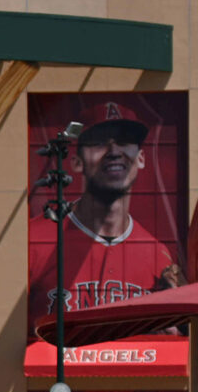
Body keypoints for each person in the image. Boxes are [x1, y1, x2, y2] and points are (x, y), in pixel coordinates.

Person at [27, 104, 186, 324]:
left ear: (141, 158)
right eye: (99, 142)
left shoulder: (157, 254)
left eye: (124, 141)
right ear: (77, 163)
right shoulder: (32, 241)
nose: (113, 152)